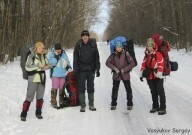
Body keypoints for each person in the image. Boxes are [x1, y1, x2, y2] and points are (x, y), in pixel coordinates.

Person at [20, 42, 50, 121]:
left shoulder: (44, 56)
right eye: (41, 47)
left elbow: (49, 65)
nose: (43, 49)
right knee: (29, 95)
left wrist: (46, 67)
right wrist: (38, 67)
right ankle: (24, 112)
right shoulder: (31, 56)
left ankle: (38, 112)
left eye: (43, 48)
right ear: (37, 48)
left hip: (42, 78)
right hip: (33, 78)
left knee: (40, 96)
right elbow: (27, 67)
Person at [73, 30, 100, 112]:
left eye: (86, 35)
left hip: (91, 70)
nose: (85, 37)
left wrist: (98, 69)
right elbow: (75, 58)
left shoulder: (93, 44)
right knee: (81, 87)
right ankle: (82, 105)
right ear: (81, 37)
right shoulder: (78, 45)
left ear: (88, 36)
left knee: (90, 87)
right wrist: (76, 69)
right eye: (83, 35)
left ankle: (91, 105)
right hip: (81, 70)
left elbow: (97, 57)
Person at [140, 38, 167, 115]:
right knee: (153, 91)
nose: (149, 47)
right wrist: (141, 74)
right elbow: (143, 64)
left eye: (151, 45)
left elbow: (161, 64)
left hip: (158, 76)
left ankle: (163, 107)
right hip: (149, 76)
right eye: (148, 46)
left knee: (160, 91)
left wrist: (159, 73)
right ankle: (155, 106)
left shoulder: (158, 54)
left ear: (153, 45)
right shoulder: (146, 55)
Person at [106, 41, 135, 110]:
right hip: (116, 75)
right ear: (115, 47)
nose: (118, 48)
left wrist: (124, 70)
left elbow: (132, 63)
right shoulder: (113, 54)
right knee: (115, 90)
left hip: (125, 75)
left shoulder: (126, 53)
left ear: (122, 47)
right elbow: (107, 62)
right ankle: (113, 104)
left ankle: (130, 104)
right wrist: (115, 68)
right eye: (117, 47)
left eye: (120, 47)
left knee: (128, 89)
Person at [47, 43, 72, 109]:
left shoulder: (64, 54)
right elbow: (50, 63)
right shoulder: (51, 54)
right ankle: (53, 102)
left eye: (59, 50)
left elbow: (67, 62)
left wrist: (69, 67)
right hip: (55, 74)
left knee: (62, 88)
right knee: (55, 88)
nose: (59, 51)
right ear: (55, 49)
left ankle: (61, 101)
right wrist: (56, 57)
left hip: (63, 74)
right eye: (57, 50)